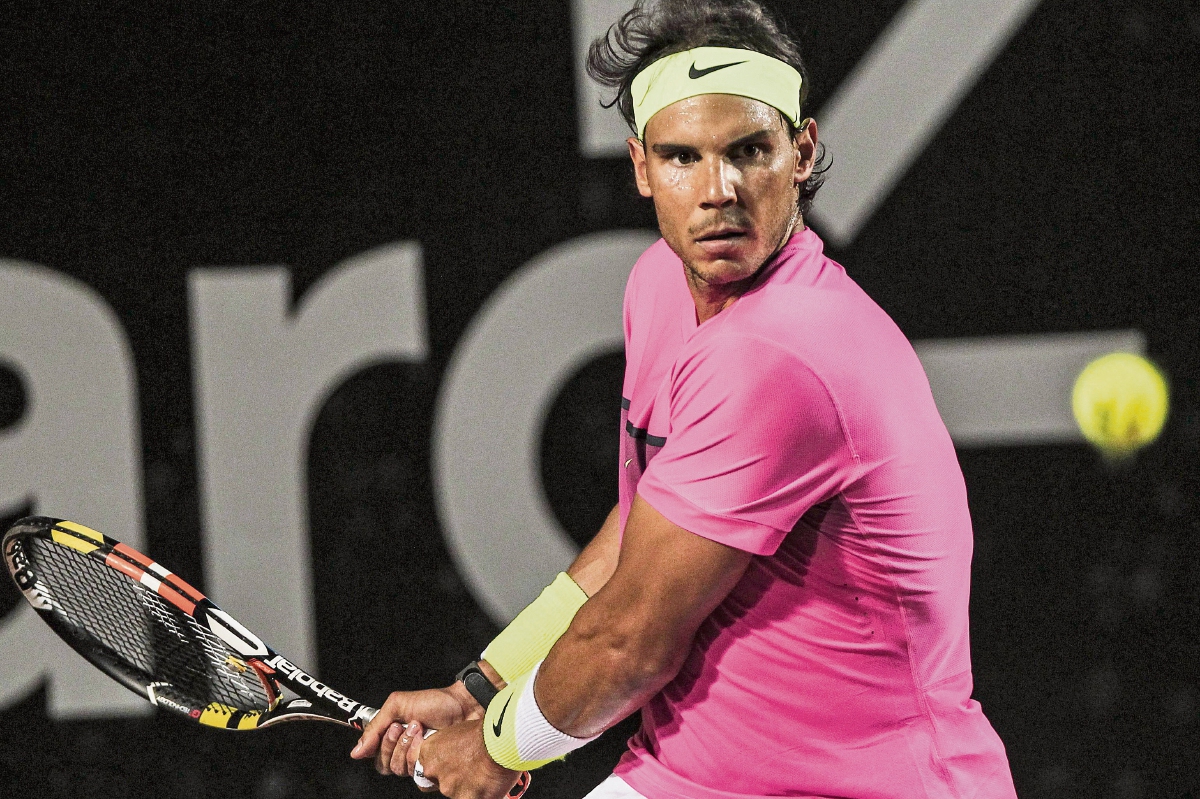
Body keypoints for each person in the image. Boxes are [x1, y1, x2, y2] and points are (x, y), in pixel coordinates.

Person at [352, 1, 1018, 797]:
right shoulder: (659, 289)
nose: (718, 190)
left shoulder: (781, 355)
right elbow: (640, 535)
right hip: (694, 771)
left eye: (750, 151)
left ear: (802, 151)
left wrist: (498, 749)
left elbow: (630, 639)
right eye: (681, 158)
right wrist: (481, 689)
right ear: (640, 167)